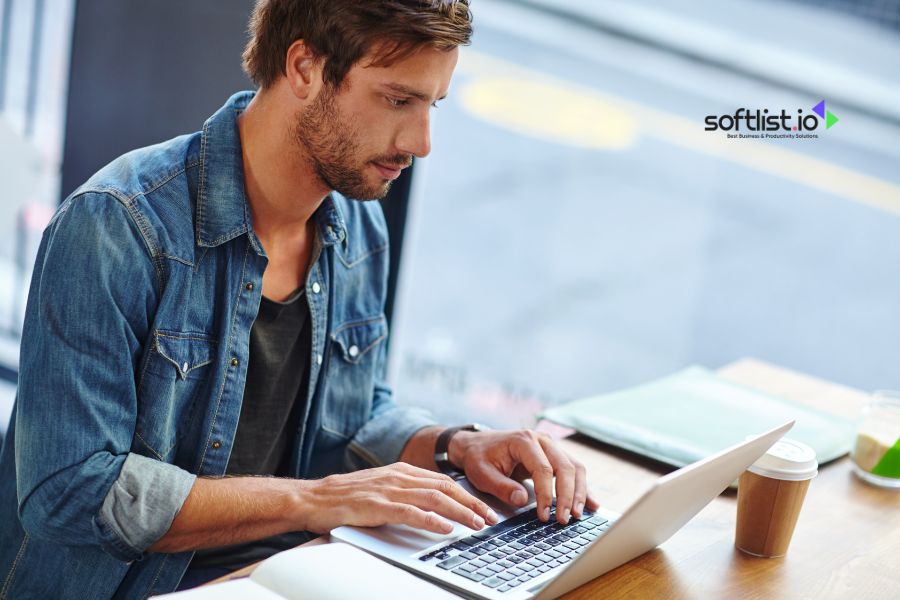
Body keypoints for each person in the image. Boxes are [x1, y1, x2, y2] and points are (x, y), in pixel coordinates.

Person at [0, 0, 598, 596]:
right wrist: (313, 501)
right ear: (305, 68)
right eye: (398, 100)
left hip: (292, 573)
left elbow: (351, 418)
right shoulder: (118, 226)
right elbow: (72, 492)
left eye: (431, 104)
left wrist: (454, 446)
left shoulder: (358, 227)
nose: (420, 143)